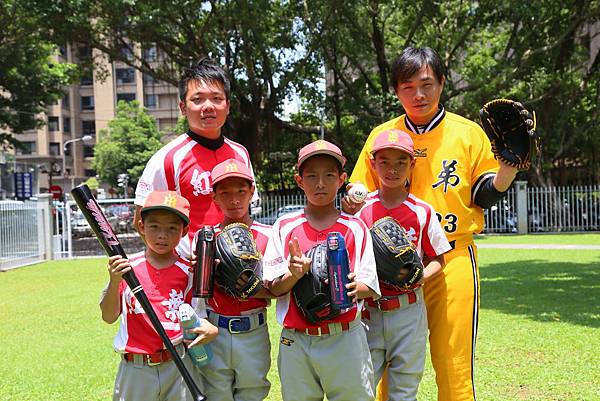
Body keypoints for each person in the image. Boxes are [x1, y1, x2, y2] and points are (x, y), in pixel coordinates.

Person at [348, 47, 519, 401]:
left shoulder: (467, 133)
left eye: (427, 84)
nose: (418, 95)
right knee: (384, 361)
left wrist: (507, 171)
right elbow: (359, 188)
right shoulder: (384, 135)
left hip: (451, 257)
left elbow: (483, 193)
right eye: (407, 86)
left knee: (453, 363)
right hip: (388, 265)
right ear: (396, 91)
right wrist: (353, 194)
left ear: (442, 83)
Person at [263, 139, 381, 401]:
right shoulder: (284, 226)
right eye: (312, 176)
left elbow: (370, 285)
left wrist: (353, 287)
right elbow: (272, 287)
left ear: (342, 179)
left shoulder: (355, 227)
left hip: (344, 337)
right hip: (297, 340)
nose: (320, 183)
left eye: (329, 175)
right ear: (298, 180)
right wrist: (293, 275)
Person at [355, 129, 452, 400]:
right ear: (373, 164)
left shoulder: (422, 211)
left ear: (413, 164)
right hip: (368, 312)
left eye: (401, 162)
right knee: (359, 388)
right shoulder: (362, 211)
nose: (392, 169)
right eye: (384, 161)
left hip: (408, 311)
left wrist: (419, 278)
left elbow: (438, 259)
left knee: (404, 390)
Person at [134, 58, 258, 259]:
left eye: (217, 99)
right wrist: (174, 263)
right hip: (189, 278)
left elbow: (246, 214)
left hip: (238, 274)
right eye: (198, 99)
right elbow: (141, 221)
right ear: (183, 108)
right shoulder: (166, 159)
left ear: (228, 106)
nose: (208, 106)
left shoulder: (240, 154)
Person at [100, 190, 218, 401]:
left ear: (184, 231)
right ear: (141, 226)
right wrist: (114, 281)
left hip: (178, 365)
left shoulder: (189, 271)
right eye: (154, 226)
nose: (162, 235)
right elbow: (108, 317)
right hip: (136, 368)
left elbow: (197, 317)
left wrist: (209, 328)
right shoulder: (127, 269)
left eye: (172, 228)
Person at [195, 158, 273, 400]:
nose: (234, 199)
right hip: (215, 328)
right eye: (225, 193)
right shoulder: (207, 238)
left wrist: (250, 288)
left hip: (254, 329)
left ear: (252, 191)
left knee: (253, 393)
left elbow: (278, 288)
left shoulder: (268, 235)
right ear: (214, 197)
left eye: (241, 191)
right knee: (215, 394)